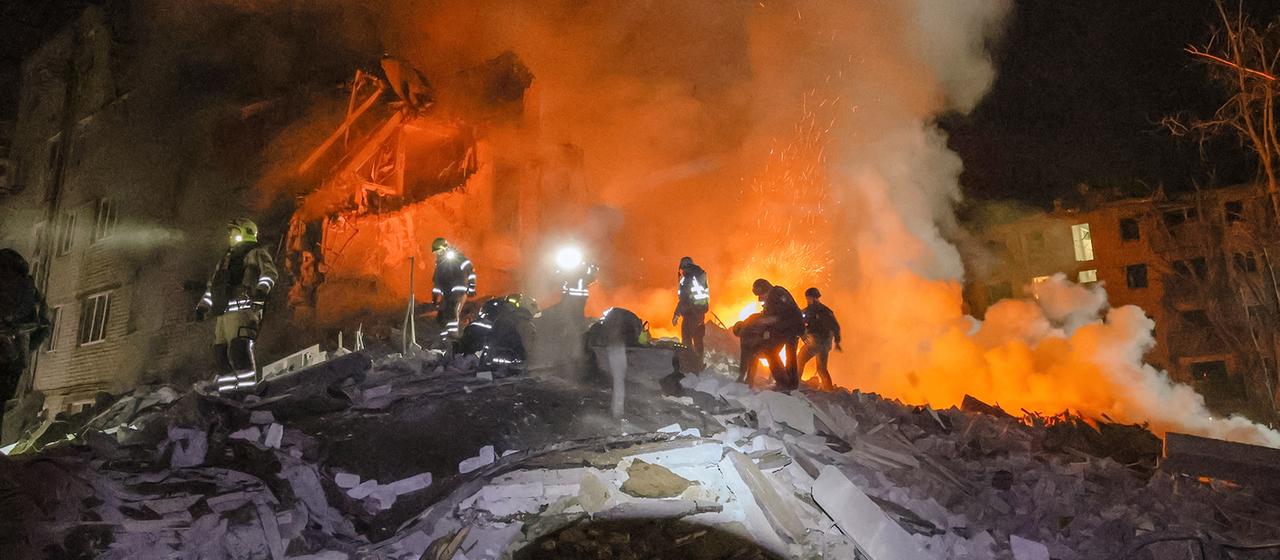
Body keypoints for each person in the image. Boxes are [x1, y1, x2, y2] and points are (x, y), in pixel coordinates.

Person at [196, 219, 278, 393]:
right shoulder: (224, 261)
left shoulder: (256, 253)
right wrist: (203, 306)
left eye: (235, 233)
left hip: (244, 310)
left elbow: (270, 273)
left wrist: (261, 291)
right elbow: (214, 287)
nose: (231, 237)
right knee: (220, 354)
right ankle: (228, 393)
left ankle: (247, 392)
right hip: (223, 314)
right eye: (231, 234)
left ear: (245, 232)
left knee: (239, 350)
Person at [753, 278, 805, 390]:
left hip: (791, 327)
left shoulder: (779, 294)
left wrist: (769, 321)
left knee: (772, 352)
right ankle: (790, 384)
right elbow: (770, 315)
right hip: (788, 328)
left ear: (765, 290)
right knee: (789, 355)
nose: (761, 298)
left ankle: (784, 383)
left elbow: (784, 314)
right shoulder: (773, 295)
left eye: (762, 295)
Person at [431, 237, 477, 342]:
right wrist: (435, 297)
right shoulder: (440, 266)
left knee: (452, 312)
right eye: (436, 253)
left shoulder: (459, 259)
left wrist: (471, 288)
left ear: (445, 248)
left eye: (439, 251)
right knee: (442, 316)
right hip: (447, 293)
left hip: (458, 291)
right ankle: (445, 339)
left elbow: (470, 272)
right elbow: (437, 282)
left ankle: (453, 338)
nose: (438, 254)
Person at [798, 287, 842, 390]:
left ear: (814, 298)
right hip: (823, 344)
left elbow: (834, 326)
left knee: (800, 359)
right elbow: (835, 326)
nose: (808, 300)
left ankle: (795, 383)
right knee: (822, 369)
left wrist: (837, 341)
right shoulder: (820, 311)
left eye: (809, 298)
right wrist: (836, 341)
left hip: (818, 342)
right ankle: (828, 389)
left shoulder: (820, 312)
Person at [671, 256, 710, 358]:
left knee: (686, 341)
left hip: (690, 314)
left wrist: (676, 315)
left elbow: (684, 300)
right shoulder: (699, 276)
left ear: (683, 266)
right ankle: (698, 363)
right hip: (699, 313)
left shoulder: (688, 278)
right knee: (698, 340)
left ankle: (691, 365)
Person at [555, 246, 598, 321]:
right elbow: (559, 276)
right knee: (568, 314)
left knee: (576, 315)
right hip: (571, 297)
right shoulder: (569, 270)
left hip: (578, 297)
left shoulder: (587, 268)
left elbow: (593, 276)